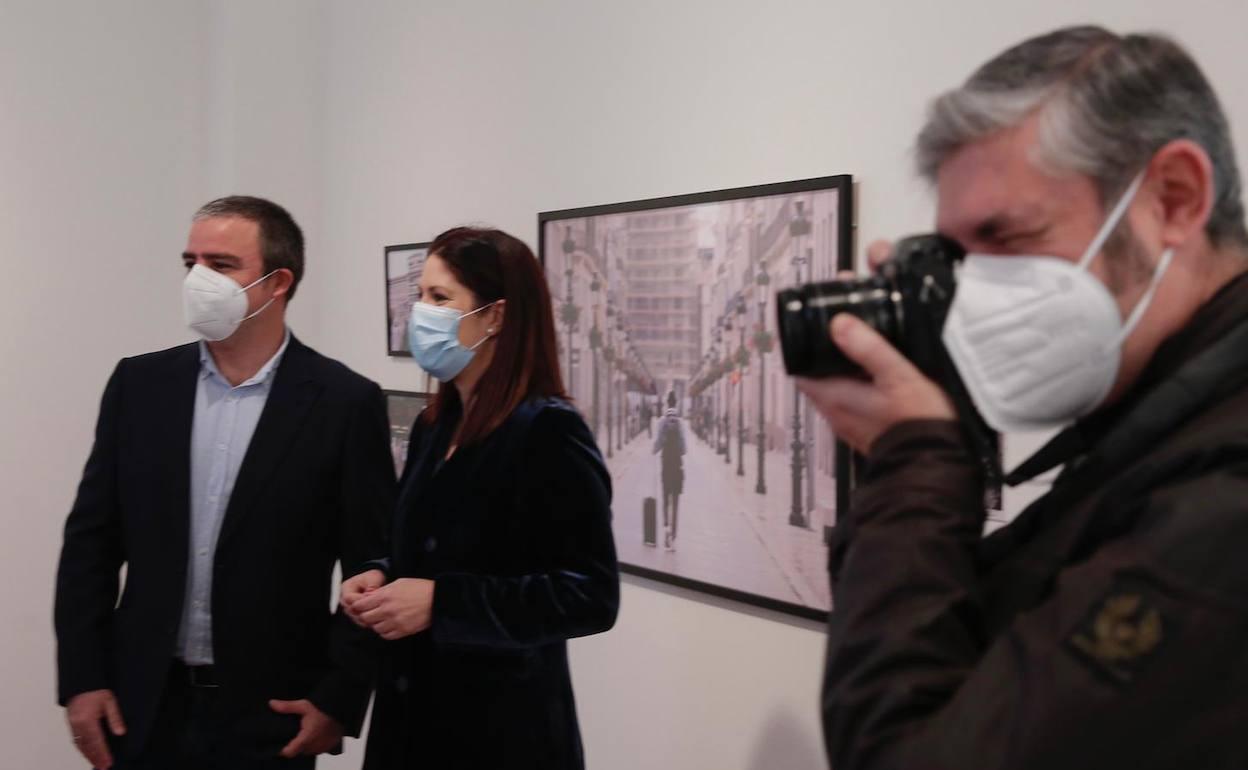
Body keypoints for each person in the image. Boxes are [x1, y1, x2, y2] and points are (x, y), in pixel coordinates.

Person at [800, 26, 1248, 769]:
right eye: (957, 256)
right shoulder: (1162, 425)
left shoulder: (1223, 499)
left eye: (1007, 236)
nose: (977, 291)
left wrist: (914, 463)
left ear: (1174, 198)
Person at [54, 196, 394, 770]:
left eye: (221, 264)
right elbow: (91, 542)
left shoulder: (344, 402)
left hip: (272, 713)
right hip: (141, 703)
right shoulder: (141, 385)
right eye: (191, 262)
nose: (198, 279)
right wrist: (82, 678)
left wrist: (339, 697)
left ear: (277, 281)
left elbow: (373, 564)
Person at [340, 226, 619, 770]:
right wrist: (379, 575)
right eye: (421, 295)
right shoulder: (435, 426)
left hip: (502, 732)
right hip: (411, 721)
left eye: (441, 298)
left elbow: (590, 595)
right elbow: (423, 550)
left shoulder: (548, 431)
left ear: (495, 317)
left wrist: (444, 604)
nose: (421, 312)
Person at [652, 391, 687, 551]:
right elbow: (684, 448)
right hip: (677, 465)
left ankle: (666, 527)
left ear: (667, 403)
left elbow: (657, 444)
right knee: (676, 499)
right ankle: (674, 534)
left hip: (665, 463)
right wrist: (679, 450)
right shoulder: (680, 422)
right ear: (677, 403)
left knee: (666, 497)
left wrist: (655, 450)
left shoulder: (661, 421)